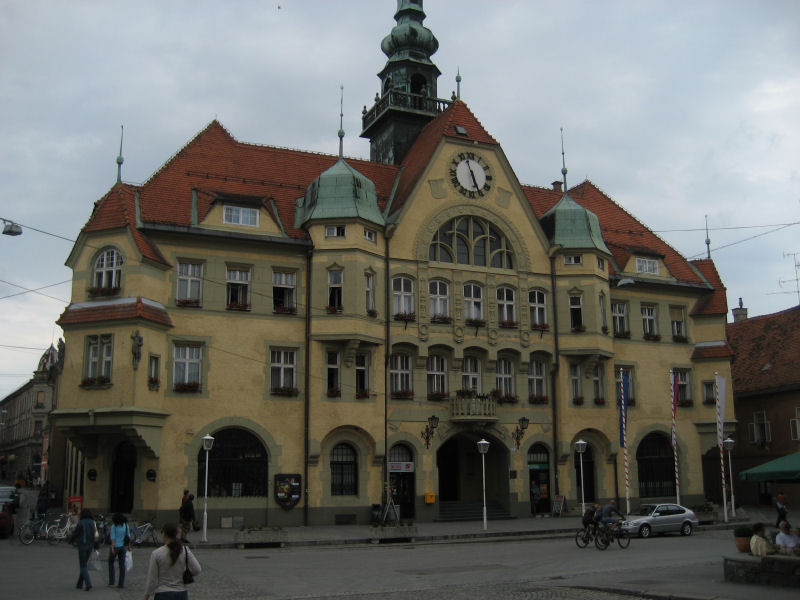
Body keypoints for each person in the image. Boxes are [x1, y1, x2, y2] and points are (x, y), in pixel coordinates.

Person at [144, 522, 201, 600]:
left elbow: (152, 579)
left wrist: (146, 596)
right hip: (181, 594)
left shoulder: (156, 553)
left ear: (164, 534)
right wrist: (185, 572)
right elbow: (197, 570)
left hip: (163, 594)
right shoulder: (185, 550)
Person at [68, 508, 97, 591]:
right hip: (90, 545)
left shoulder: (81, 522)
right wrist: (96, 546)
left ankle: (88, 583)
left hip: (82, 545)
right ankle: (79, 583)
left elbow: (76, 533)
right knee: (84, 564)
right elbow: (96, 535)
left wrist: (70, 540)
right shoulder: (92, 522)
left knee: (83, 565)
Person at [108, 512, 130, 588]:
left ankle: (111, 581)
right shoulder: (126, 525)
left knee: (111, 562)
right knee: (122, 565)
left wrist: (112, 547)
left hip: (116, 547)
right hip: (123, 547)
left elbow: (113, 538)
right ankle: (121, 583)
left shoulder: (114, 526)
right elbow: (128, 537)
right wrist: (129, 547)